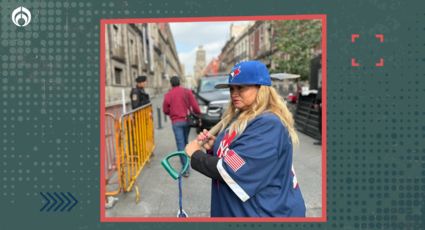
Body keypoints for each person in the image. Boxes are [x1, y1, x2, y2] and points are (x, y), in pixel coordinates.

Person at [185, 61, 306, 217]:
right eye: (232, 88)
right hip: (240, 209)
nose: (234, 93)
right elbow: (238, 158)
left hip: (264, 211)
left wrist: (196, 155)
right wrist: (214, 147)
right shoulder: (241, 116)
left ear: (261, 89)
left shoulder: (269, 124)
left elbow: (234, 169)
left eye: (241, 87)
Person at [163, 76, 201, 177]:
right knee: (185, 141)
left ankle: (186, 169)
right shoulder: (187, 91)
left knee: (180, 144)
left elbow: (165, 110)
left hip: (176, 122)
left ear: (171, 84)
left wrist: (172, 112)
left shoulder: (168, 94)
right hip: (187, 121)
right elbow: (195, 105)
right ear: (179, 82)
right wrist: (199, 114)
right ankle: (188, 161)